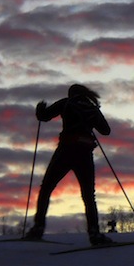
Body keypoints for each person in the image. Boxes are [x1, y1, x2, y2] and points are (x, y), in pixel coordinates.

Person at [24, 84, 113, 245]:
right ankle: (95, 234)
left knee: (47, 188)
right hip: (85, 154)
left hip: (66, 151)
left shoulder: (66, 103)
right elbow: (106, 131)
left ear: (71, 94)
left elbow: (44, 116)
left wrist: (40, 109)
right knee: (88, 196)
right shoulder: (92, 108)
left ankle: (38, 228)